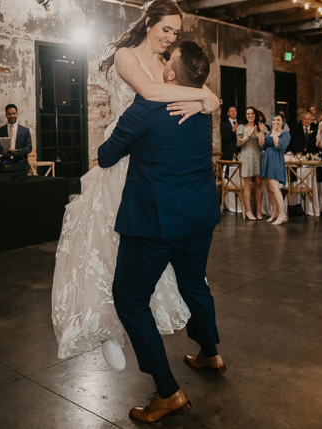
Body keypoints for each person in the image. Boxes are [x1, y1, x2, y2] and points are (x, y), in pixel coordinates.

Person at [51, 0, 219, 372]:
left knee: (146, 260)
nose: (170, 38)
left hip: (152, 162)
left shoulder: (169, 64)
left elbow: (204, 92)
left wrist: (206, 99)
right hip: (125, 157)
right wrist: (201, 97)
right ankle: (106, 327)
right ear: (148, 23)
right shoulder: (128, 56)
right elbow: (150, 94)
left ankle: (138, 327)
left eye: (176, 33)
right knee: (102, 246)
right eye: (165, 30)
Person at [98, 41, 222, 423]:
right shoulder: (203, 110)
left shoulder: (147, 108)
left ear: (170, 74)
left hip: (154, 226)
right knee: (195, 284)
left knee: (130, 300)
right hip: (199, 219)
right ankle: (209, 352)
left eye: (168, 59)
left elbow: (106, 155)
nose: (163, 60)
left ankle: (167, 392)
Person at [261, 114, 291, 225]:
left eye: (278, 120)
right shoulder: (269, 133)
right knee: (268, 188)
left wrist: (273, 132)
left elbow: (279, 145)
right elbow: (262, 145)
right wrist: (260, 133)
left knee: (274, 187)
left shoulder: (285, 134)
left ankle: (282, 214)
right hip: (267, 160)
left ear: (282, 122)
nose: (275, 121)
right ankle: (275, 212)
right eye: (274, 120)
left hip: (276, 160)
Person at [236, 107, 265, 220]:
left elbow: (262, 143)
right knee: (247, 184)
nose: (250, 115)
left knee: (258, 183)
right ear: (245, 115)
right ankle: (248, 211)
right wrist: (249, 135)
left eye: (252, 113)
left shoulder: (261, 127)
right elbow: (238, 143)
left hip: (258, 156)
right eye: (248, 114)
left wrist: (259, 132)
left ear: (255, 115)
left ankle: (258, 211)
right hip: (246, 156)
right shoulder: (241, 127)